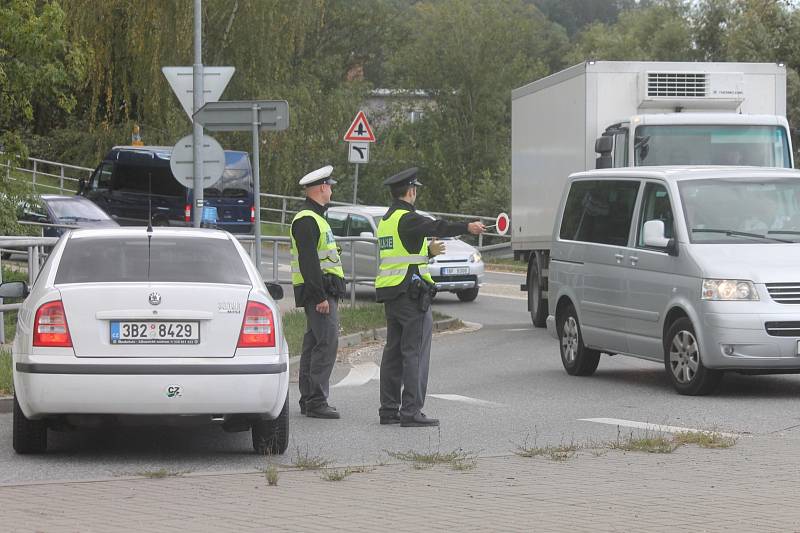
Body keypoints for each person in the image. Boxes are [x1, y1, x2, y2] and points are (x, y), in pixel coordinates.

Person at [375, 167, 485, 427]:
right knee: (415, 353)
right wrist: (467, 226)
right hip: (411, 296)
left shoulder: (387, 220)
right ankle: (411, 411)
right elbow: (438, 225)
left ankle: (389, 409)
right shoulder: (408, 218)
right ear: (411, 191)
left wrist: (427, 250)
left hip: (391, 292)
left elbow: (404, 250)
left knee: (393, 353)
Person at [290, 165, 346, 419]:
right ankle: (316, 401)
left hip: (322, 291)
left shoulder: (315, 218)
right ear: (322, 187)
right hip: (320, 294)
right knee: (326, 344)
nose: (332, 190)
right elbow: (309, 262)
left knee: (314, 345)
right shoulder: (307, 219)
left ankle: (309, 399)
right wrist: (320, 296)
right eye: (330, 186)